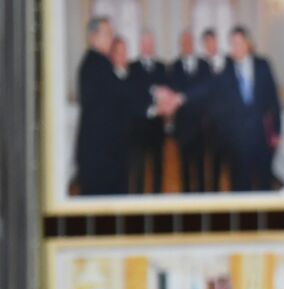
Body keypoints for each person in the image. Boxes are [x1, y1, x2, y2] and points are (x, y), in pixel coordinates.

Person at [161, 26, 282, 192]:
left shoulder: (263, 65)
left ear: (248, 43)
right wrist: (180, 98)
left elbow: (274, 101)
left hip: (260, 138)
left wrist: (277, 131)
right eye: (232, 44)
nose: (235, 47)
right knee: (240, 186)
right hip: (237, 142)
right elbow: (206, 87)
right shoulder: (227, 70)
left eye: (239, 43)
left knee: (264, 185)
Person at [74, 17, 145, 196]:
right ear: (92, 38)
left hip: (105, 153)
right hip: (100, 156)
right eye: (107, 34)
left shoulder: (98, 63)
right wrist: (154, 100)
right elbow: (123, 93)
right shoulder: (96, 65)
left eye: (111, 34)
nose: (111, 38)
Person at [167, 30, 211, 192]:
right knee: (184, 167)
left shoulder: (205, 65)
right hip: (183, 126)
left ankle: (201, 200)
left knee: (200, 166)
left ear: (194, 44)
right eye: (184, 42)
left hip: (201, 125)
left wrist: (186, 95)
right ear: (181, 45)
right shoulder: (174, 66)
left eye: (190, 41)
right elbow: (173, 90)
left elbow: (207, 90)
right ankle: (186, 199)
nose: (187, 45)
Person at [129, 31, 167, 194]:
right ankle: (138, 199)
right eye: (144, 43)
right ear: (140, 45)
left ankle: (157, 197)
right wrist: (153, 89)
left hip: (157, 124)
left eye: (150, 43)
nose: (147, 46)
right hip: (138, 125)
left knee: (158, 164)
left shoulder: (161, 66)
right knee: (139, 166)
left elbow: (166, 88)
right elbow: (133, 92)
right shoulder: (132, 67)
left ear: (154, 45)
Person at [198, 29, 227, 190]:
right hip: (207, 120)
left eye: (212, 41)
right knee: (206, 156)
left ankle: (217, 187)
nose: (210, 45)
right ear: (204, 45)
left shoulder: (228, 60)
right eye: (207, 43)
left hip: (225, 120)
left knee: (222, 157)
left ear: (216, 42)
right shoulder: (201, 66)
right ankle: (205, 190)